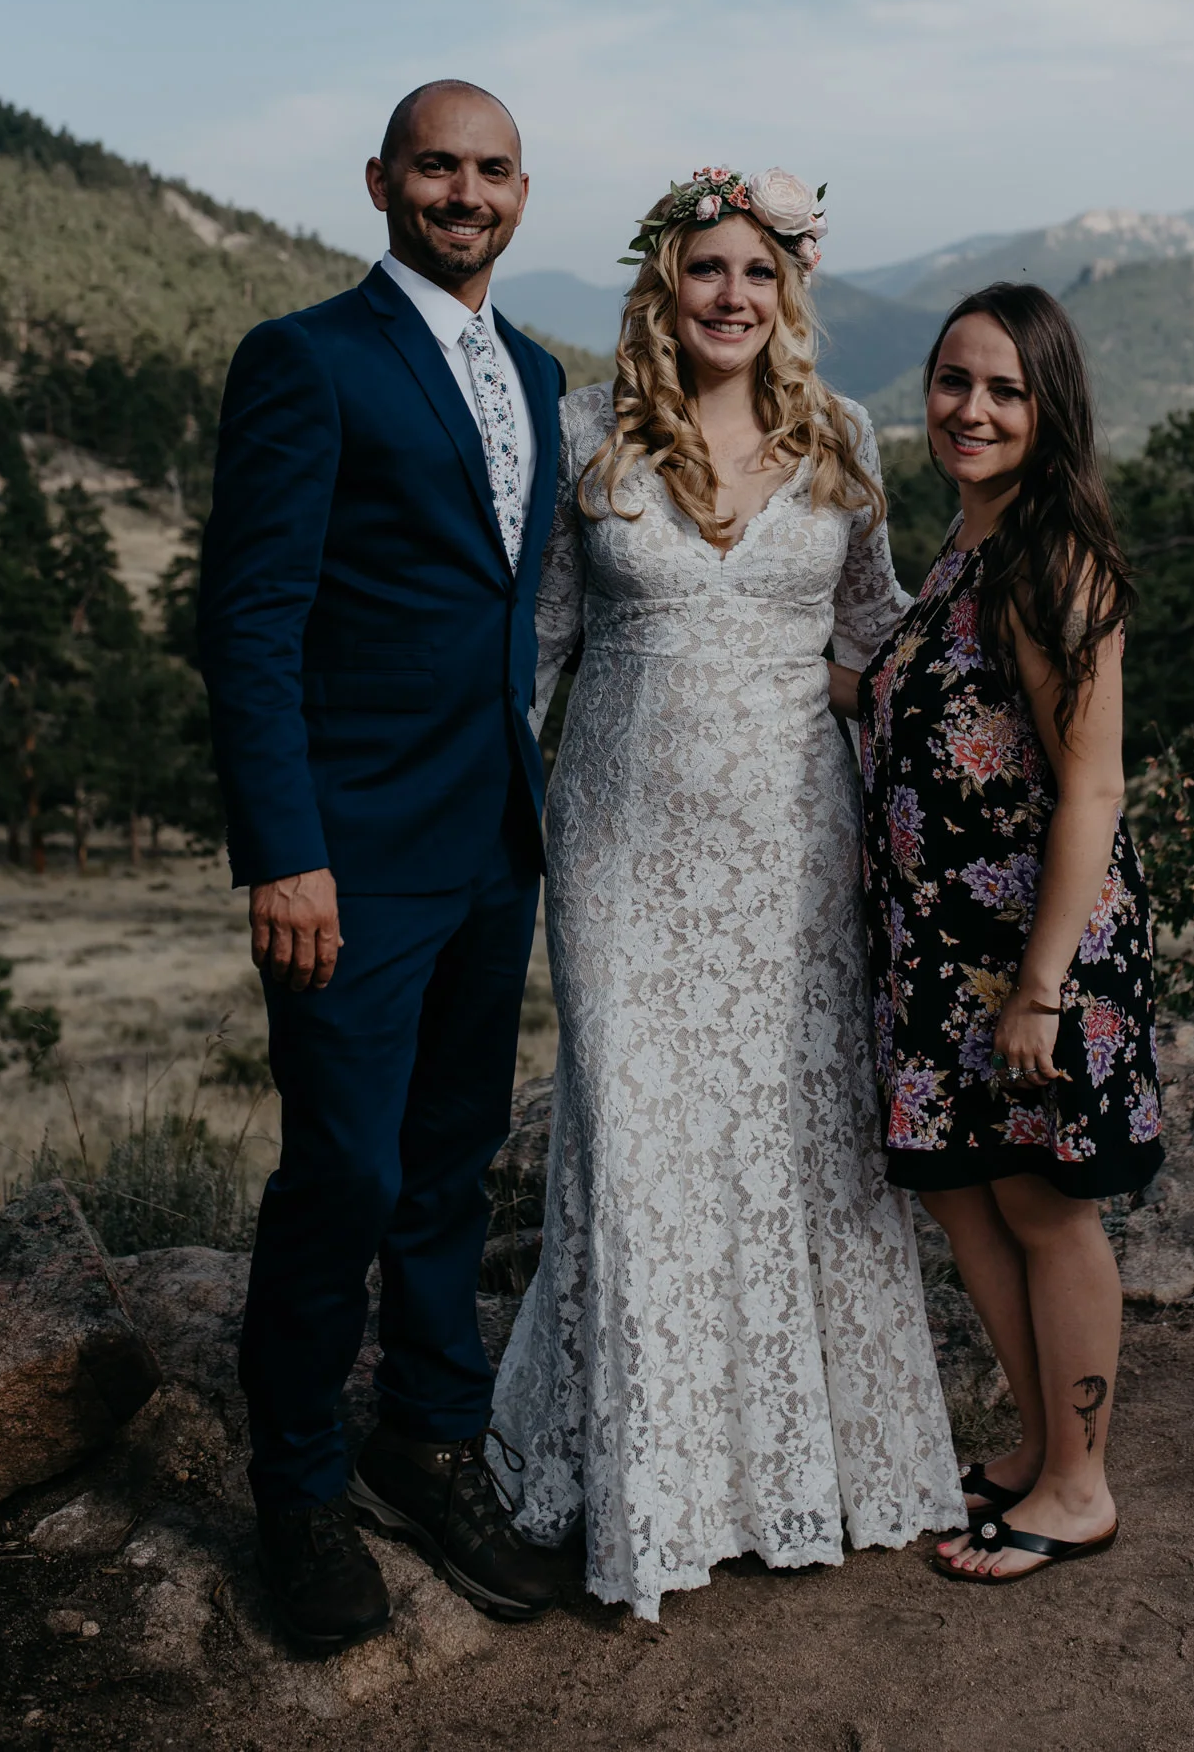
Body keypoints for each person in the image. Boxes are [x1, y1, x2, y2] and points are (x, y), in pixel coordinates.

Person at [492, 166, 965, 1623]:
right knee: (634, 1138)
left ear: (788, 292)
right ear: (662, 283)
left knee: (791, 1135)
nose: (731, 296)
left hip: (794, 855)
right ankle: (655, 1492)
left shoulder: (841, 437)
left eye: (757, 273)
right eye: (706, 269)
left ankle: (799, 1472)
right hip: (621, 855)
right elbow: (541, 648)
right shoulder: (587, 435)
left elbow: (875, 635)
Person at [198, 80, 570, 1646]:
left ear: (521, 193)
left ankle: (428, 1437)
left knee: (445, 1163)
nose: (462, 192)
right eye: (436, 165)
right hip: (349, 858)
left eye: (488, 170)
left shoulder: (546, 376)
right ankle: (294, 1493)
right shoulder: (307, 359)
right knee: (340, 1173)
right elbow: (252, 617)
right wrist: (284, 852)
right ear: (379, 181)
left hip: (495, 845)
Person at [847, 282, 1159, 1586]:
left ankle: (1080, 1487)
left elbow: (1089, 786)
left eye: (1003, 391)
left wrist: (1036, 991)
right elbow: (897, 695)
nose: (969, 410)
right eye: (951, 381)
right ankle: (1037, 1453)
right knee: (968, 1201)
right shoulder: (961, 549)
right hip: (937, 947)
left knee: (1040, 1209)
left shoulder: (1050, 560)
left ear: (1048, 412)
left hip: (1029, 958)